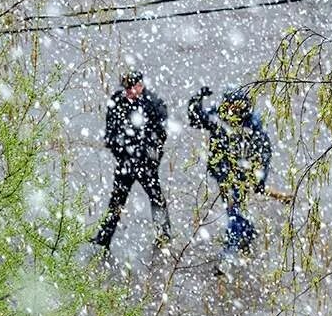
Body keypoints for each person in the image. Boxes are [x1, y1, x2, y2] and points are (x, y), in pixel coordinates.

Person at [188, 86, 271, 274]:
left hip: (242, 177)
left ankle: (228, 255)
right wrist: (197, 99)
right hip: (223, 174)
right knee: (234, 211)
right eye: (228, 105)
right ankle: (248, 232)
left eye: (234, 106)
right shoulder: (219, 116)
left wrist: (260, 179)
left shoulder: (253, 124)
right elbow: (196, 119)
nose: (230, 109)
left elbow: (264, 153)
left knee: (233, 212)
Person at [91, 71, 171, 250]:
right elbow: (110, 130)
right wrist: (118, 150)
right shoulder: (118, 101)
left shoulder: (153, 104)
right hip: (125, 161)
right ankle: (104, 237)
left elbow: (160, 134)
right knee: (117, 200)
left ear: (140, 86)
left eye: (131, 88)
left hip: (145, 163)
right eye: (126, 88)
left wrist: (151, 158)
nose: (128, 92)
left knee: (156, 198)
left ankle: (163, 234)